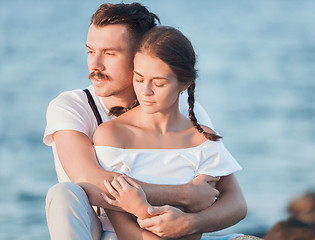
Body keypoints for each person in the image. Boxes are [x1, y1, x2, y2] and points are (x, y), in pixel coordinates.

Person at [43, 2, 246, 240]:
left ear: (140, 54)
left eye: (109, 53)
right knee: (64, 193)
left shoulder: (186, 111)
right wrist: (185, 194)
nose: (94, 65)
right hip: (100, 228)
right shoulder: (73, 106)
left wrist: (190, 222)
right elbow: (90, 182)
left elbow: (232, 197)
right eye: (90, 51)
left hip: (178, 231)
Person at [92, 25, 246, 240]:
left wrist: (189, 223)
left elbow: (237, 205)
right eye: (138, 78)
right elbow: (124, 229)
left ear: (184, 83)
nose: (145, 91)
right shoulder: (113, 136)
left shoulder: (201, 139)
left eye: (159, 83)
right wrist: (142, 209)